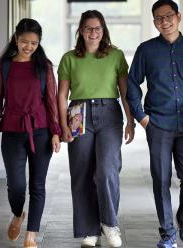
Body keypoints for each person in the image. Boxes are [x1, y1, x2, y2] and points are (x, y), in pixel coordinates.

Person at [126, 1, 183, 247]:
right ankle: (167, 233)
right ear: (154, 21)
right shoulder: (146, 50)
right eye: (158, 18)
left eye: (168, 16)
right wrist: (142, 117)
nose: (164, 22)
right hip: (158, 124)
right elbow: (131, 84)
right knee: (161, 179)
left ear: (178, 16)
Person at [57, 10, 135, 248]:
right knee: (81, 174)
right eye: (89, 28)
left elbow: (124, 92)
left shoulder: (116, 56)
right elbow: (61, 95)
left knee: (106, 172)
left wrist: (130, 120)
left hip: (109, 112)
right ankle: (89, 231)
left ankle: (110, 224)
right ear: (80, 30)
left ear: (104, 30)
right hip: (78, 114)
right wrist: (63, 125)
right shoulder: (69, 58)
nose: (93, 32)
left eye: (98, 28)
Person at [0, 18, 61, 248]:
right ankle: (18, 214)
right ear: (16, 39)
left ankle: (31, 235)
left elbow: (51, 101)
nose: (28, 47)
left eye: (34, 43)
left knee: (38, 184)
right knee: (16, 185)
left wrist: (55, 132)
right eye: (24, 42)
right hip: (12, 131)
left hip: (41, 132)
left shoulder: (44, 66)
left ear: (39, 43)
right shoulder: (4, 66)